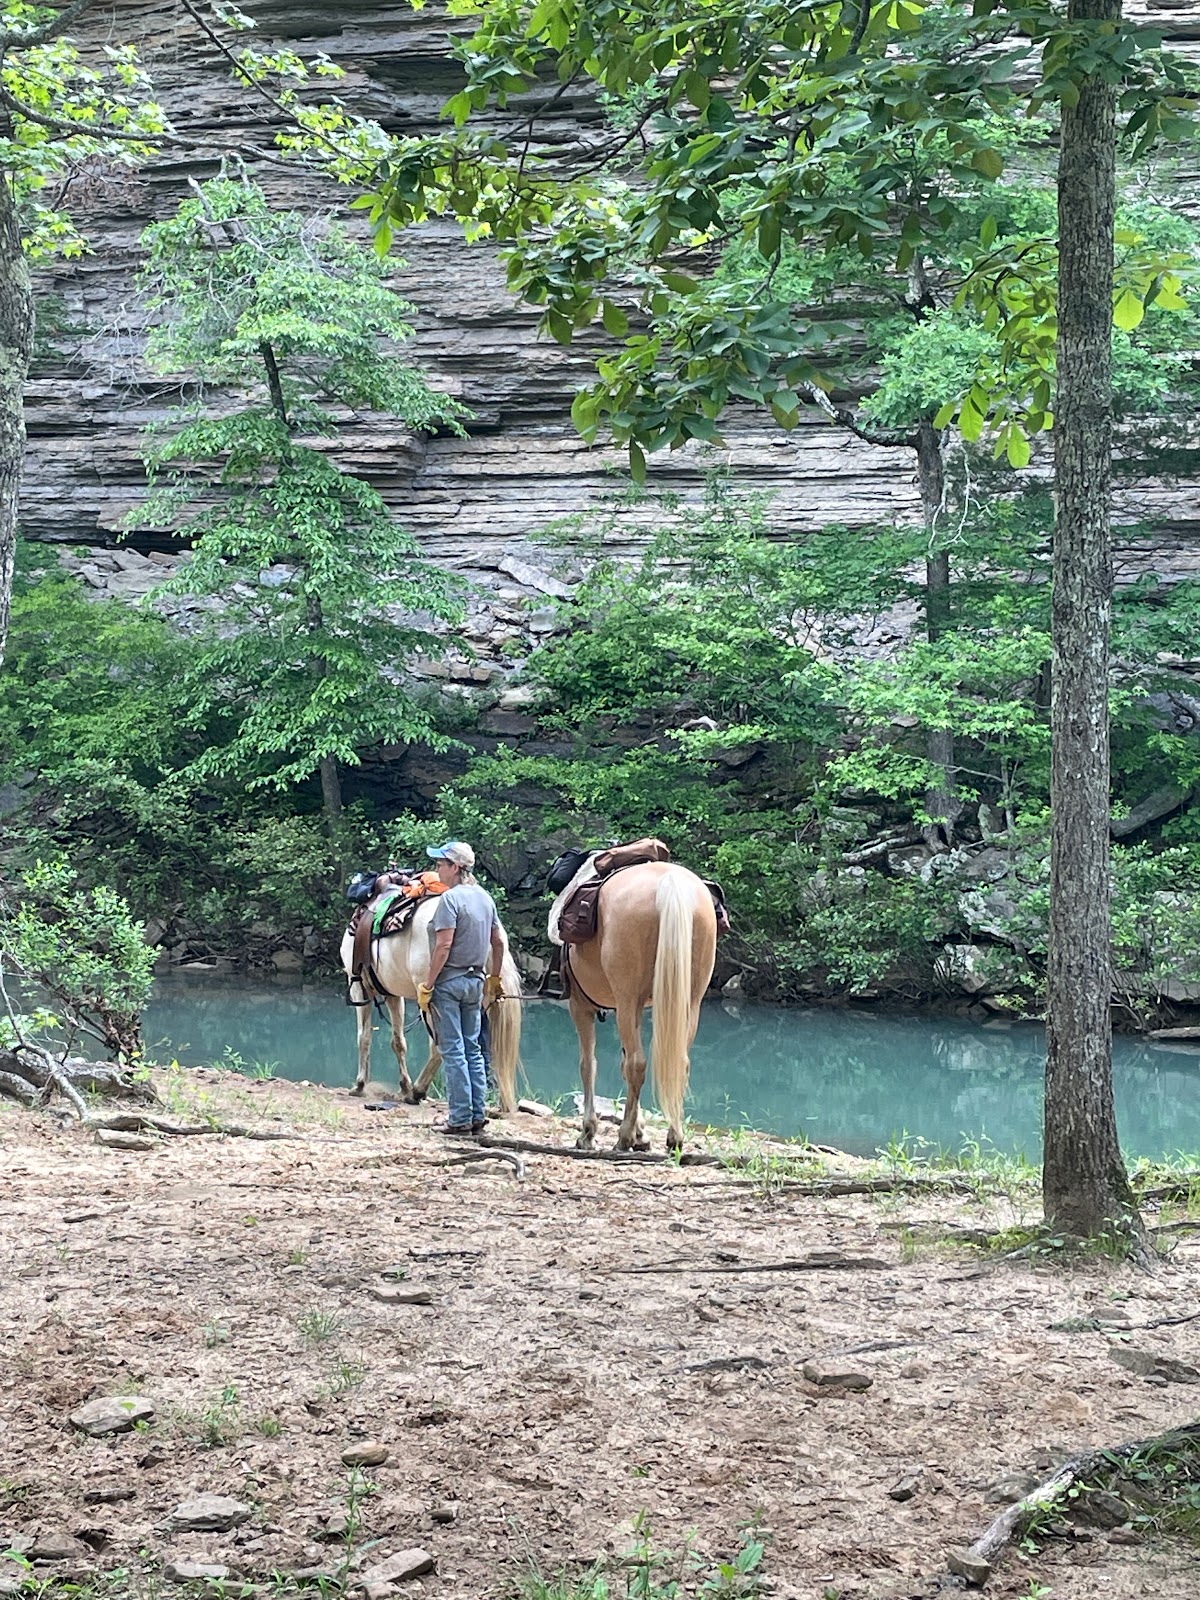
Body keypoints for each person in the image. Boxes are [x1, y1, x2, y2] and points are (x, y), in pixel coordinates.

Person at [416, 841, 505, 1135]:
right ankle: (477, 1115)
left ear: (455, 868)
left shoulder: (450, 900)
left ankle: (458, 1119)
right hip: (475, 983)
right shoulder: (485, 898)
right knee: (474, 1050)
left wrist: (428, 984)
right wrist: (494, 978)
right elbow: (499, 942)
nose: (436, 869)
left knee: (453, 1051)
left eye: (441, 864)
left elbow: (443, 945)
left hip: (449, 984)